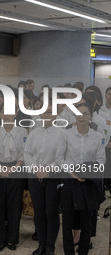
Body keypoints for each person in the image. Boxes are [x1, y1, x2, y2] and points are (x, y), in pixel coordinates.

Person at [56, 103, 105, 255]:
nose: (81, 116)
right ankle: (68, 252)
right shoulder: (66, 134)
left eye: (85, 113)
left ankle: (83, 251)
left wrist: (85, 173)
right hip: (70, 181)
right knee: (68, 221)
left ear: (91, 117)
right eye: (78, 113)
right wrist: (73, 172)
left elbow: (100, 160)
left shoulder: (98, 137)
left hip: (88, 182)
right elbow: (59, 158)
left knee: (86, 222)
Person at [0, 103, 28, 252]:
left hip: (16, 169)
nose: (6, 115)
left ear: (16, 113)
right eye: (3, 112)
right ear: (0, 114)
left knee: (14, 206)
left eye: (10, 112)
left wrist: (14, 168)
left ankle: (12, 239)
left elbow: (24, 152)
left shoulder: (23, 131)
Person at [24, 103, 64, 255]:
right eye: (44, 112)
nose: (46, 115)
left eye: (49, 112)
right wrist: (35, 169)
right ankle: (41, 244)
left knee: (51, 212)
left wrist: (48, 170)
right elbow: (27, 153)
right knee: (39, 212)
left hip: (53, 177)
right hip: (35, 177)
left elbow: (62, 156)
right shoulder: (34, 133)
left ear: (55, 114)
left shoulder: (61, 134)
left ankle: (50, 247)